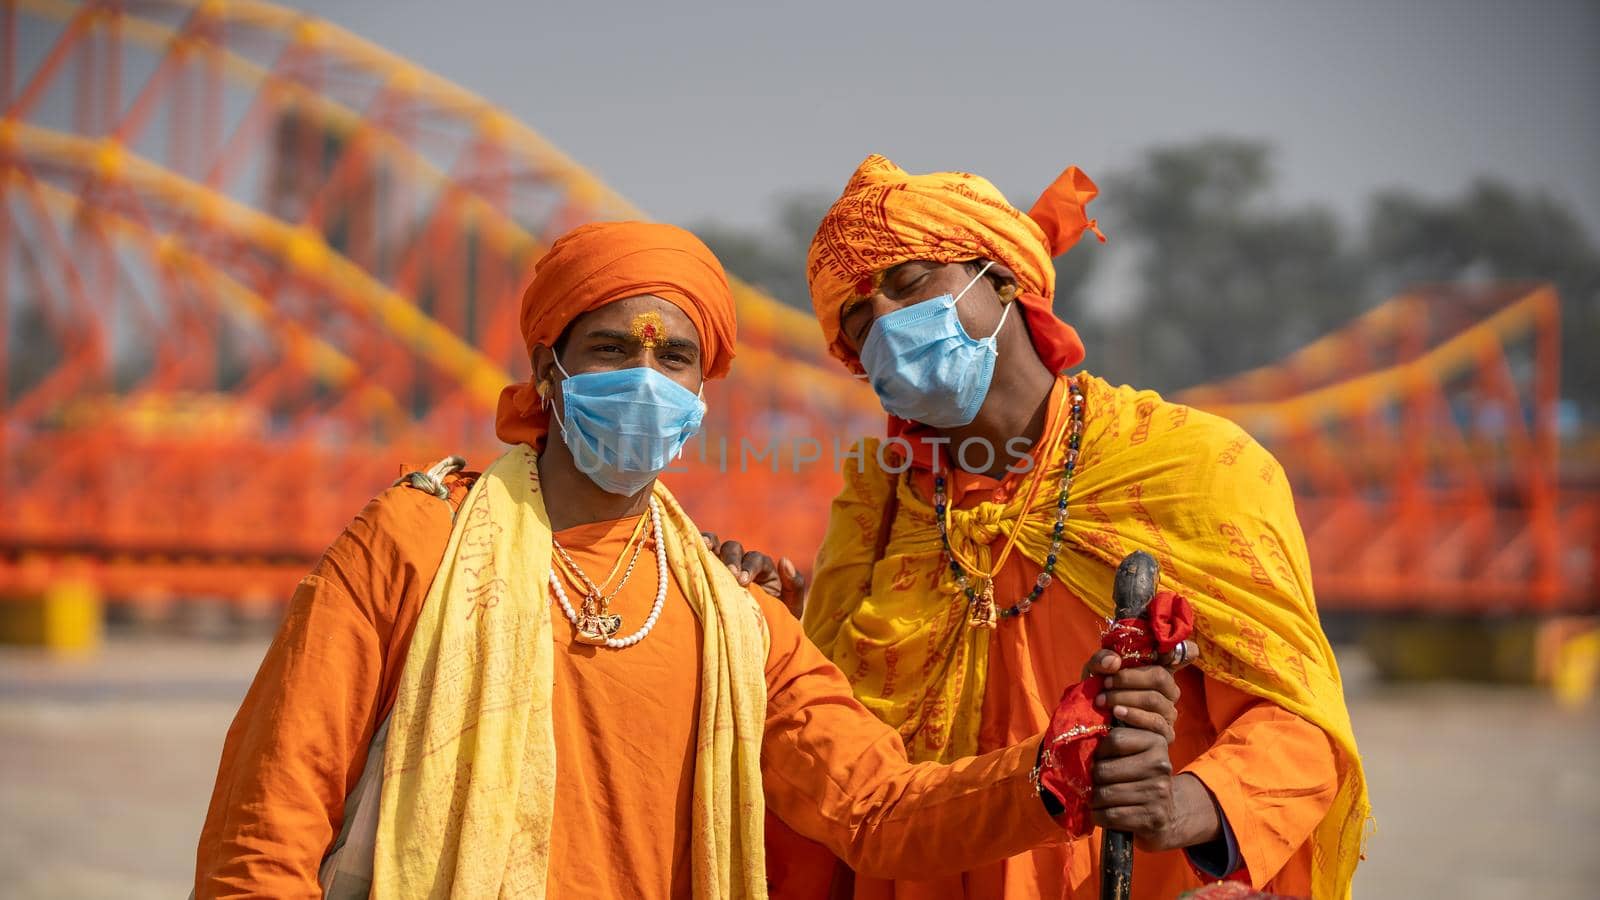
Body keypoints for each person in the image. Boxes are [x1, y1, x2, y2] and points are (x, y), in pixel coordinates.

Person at [190, 220, 1183, 900]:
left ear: (703, 393)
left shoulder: (735, 615)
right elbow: (269, 825)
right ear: (550, 370)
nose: (645, 380)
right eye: (611, 349)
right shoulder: (412, 541)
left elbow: (879, 811)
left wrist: (1060, 769)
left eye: (674, 361)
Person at [742, 155, 1369, 899]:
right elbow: (836, 754)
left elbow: (1302, 727)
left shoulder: (1193, 467)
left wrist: (1183, 807)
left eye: (909, 285)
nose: (884, 324)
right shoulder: (878, 507)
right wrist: (753, 629)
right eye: (857, 320)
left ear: (1002, 280)